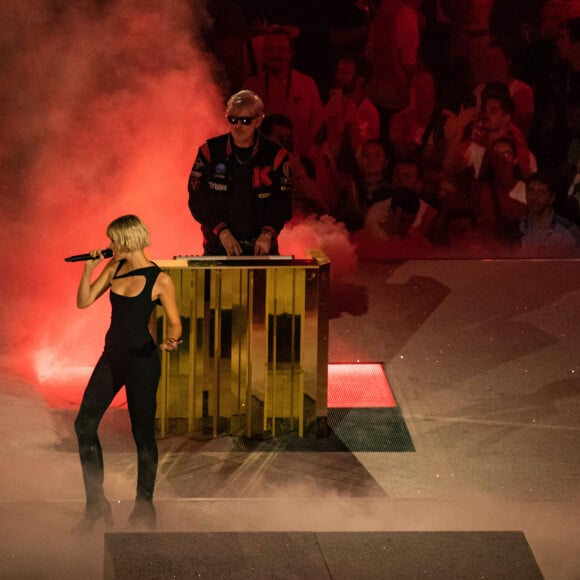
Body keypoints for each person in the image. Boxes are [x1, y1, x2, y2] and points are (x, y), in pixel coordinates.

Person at [73, 215, 182, 533]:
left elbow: (175, 320)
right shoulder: (114, 268)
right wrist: (88, 269)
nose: (108, 246)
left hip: (142, 362)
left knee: (142, 435)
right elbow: (83, 302)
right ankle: (96, 504)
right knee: (84, 425)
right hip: (112, 358)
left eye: (112, 240)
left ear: (126, 241)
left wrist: (173, 338)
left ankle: (144, 506)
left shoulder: (159, 279)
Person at [188, 90, 293, 256]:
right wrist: (222, 232)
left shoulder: (275, 155)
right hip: (218, 246)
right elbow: (197, 200)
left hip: (263, 249)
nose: (238, 126)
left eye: (245, 120)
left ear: (258, 120)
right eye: (233, 119)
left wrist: (267, 233)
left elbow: (282, 203)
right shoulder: (210, 151)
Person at [243, 26, 324, 155]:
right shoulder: (251, 86)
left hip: (298, 163)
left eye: (280, 49)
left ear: (291, 53)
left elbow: (318, 129)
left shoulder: (307, 85)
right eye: (270, 49)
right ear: (263, 53)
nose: (275, 54)